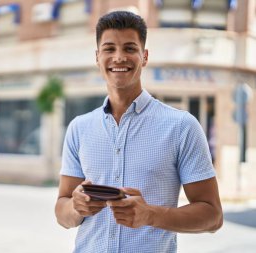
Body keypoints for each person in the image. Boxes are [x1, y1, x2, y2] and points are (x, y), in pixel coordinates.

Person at [55, 11, 223, 253]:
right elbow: (62, 211)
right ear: (97, 57)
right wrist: (75, 207)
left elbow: (213, 215)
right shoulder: (79, 128)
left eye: (130, 48)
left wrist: (150, 215)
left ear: (144, 56)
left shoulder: (181, 126)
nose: (119, 57)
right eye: (109, 48)